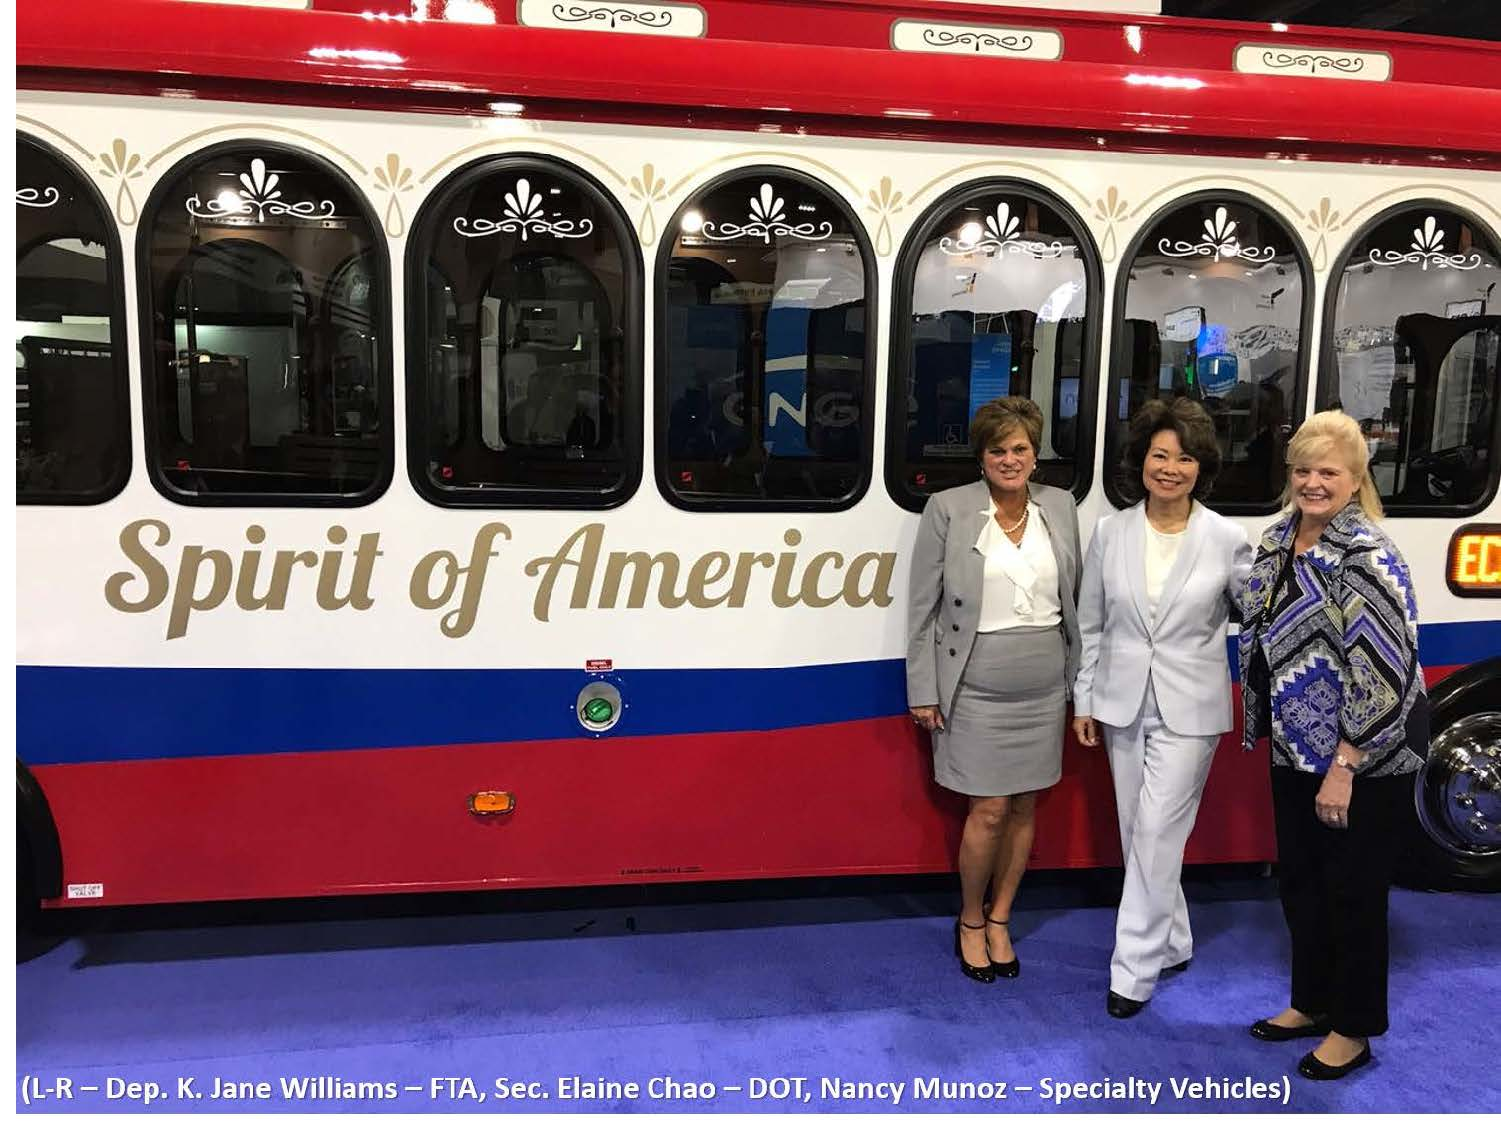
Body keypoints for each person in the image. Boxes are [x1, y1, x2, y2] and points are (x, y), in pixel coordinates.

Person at [1238, 409, 1427, 1081]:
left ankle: (1352, 1028)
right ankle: (1310, 1001)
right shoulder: (1276, 538)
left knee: (1352, 891)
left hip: (1360, 758)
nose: (1312, 482)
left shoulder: (1367, 555)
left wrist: (1344, 764)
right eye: (1302, 469)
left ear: (1355, 478)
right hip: (1292, 747)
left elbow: (1381, 668)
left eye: (1328, 471)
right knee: (1301, 883)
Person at [1071, 399, 1252, 1018]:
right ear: (1141, 460)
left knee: (1155, 833)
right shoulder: (1109, 531)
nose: (1170, 468)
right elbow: (1090, 624)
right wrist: (1084, 699)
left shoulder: (1228, 539)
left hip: (1192, 709)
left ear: (1201, 468)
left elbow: (1251, 623)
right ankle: (1173, 937)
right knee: (1135, 832)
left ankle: (1133, 969)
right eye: (1159, 455)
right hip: (1120, 702)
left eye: (1184, 458)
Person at [906, 396, 1082, 983]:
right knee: (987, 810)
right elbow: (923, 610)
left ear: (1035, 454)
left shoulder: (1060, 505)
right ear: (980, 457)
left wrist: (1079, 687)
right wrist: (922, 690)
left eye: (1020, 449)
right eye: (998, 450)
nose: (1010, 459)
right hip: (974, 684)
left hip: (1044, 682)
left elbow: (1075, 602)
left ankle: (1002, 916)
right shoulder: (947, 509)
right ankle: (970, 920)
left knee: (1026, 806)